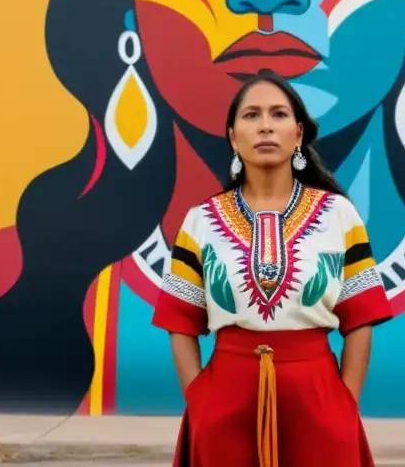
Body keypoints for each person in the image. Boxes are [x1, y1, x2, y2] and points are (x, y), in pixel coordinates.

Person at [151, 69, 392, 467]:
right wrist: (201, 402)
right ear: (232, 136)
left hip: (318, 398)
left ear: (298, 134)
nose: (265, 126)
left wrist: (344, 404)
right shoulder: (201, 221)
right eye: (252, 116)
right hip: (225, 399)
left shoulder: (338, 215)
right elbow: (180, 322)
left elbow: (360, 318)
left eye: (278, 115)